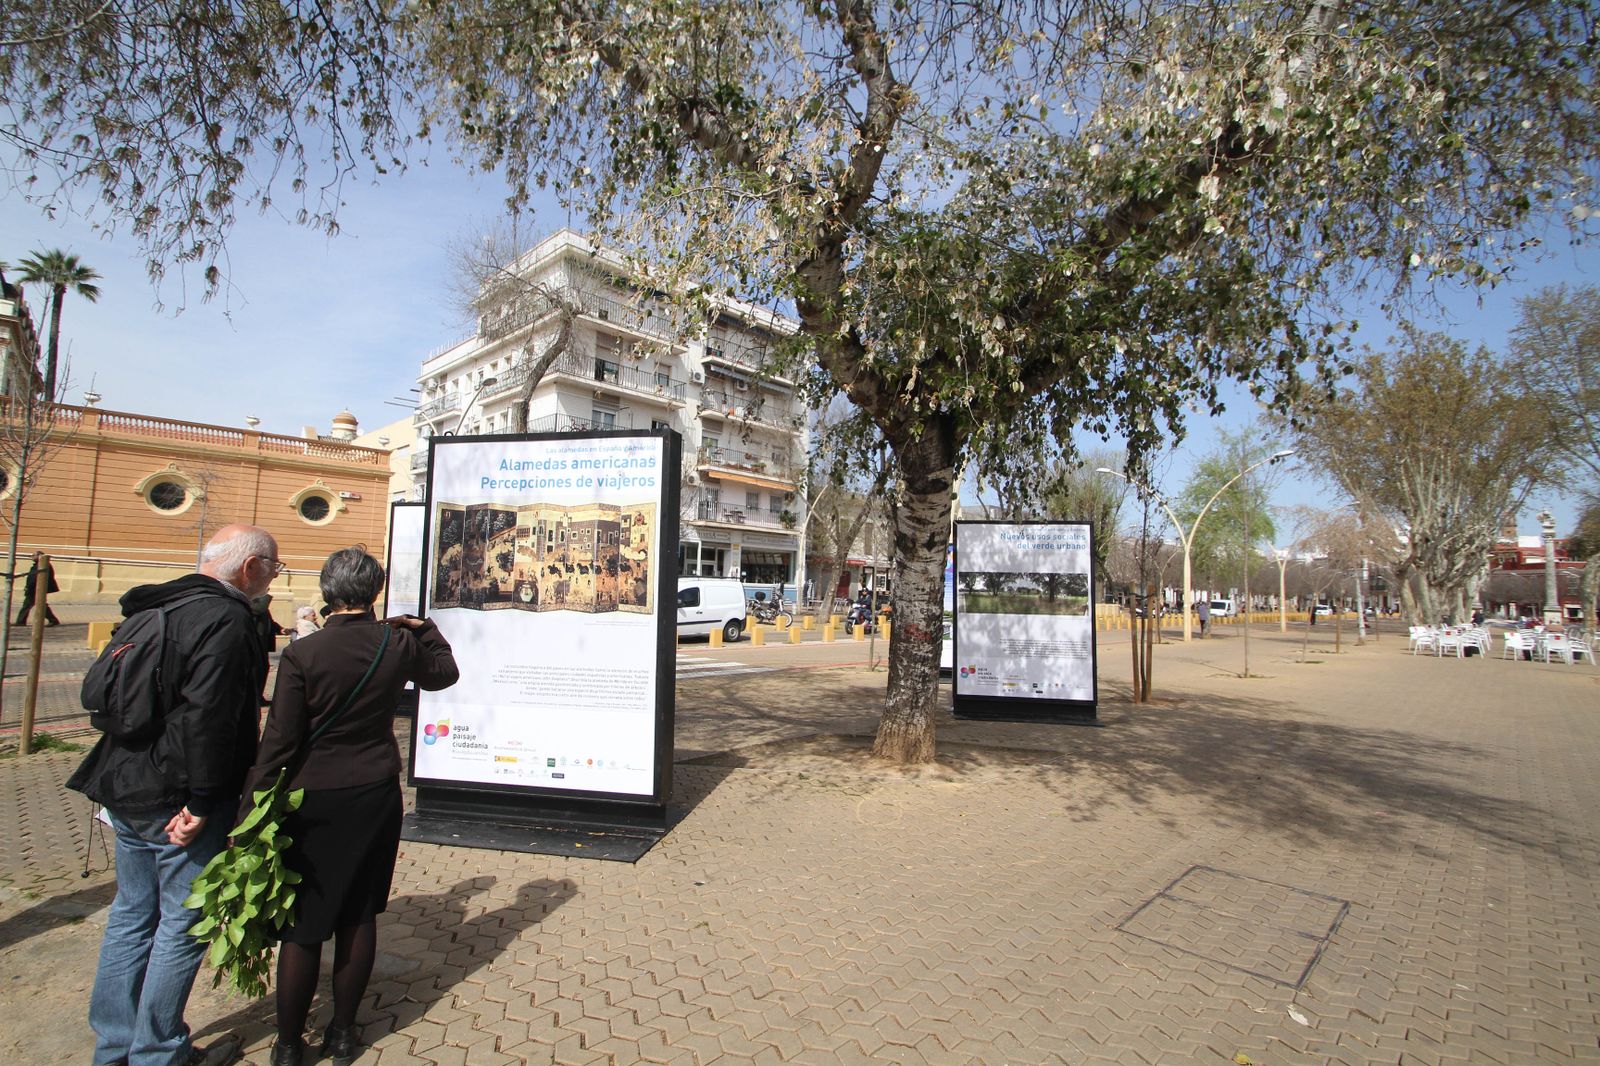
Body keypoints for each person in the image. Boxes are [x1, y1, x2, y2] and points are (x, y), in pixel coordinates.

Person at [68, 524, 282, 1066]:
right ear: (250, 567)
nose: (274, 577)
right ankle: (158, 1051)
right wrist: (204, 802)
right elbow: (211, 720)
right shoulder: (226, 620)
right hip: (177, 798)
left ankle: (114, 1045)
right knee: (181, 922)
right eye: (274, 567)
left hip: (124, 785)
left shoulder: (155, 606)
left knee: (131, 914)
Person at [244, 547, 459, 1066]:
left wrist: (249, 810)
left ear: (326, 590)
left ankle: (289, 1045)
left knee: (303, 926)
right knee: (358, 916)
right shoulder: (396, 643)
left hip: (311, 797)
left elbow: (278, 742)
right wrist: (423, 625)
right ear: (375, 591)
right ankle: (343, 1036)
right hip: (374, 792)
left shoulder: (303, 654)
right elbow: (445, 673)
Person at [14, 549, 61, 627]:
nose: (32, 557)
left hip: (37, 589)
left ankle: (53, 620)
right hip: (35, 589)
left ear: (39, 556)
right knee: (35, 605)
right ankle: (21, 621)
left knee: (35, 605)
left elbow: (35, 578)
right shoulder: (38, 565)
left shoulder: (43, 565)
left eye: (33, 555)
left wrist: (29, 587)